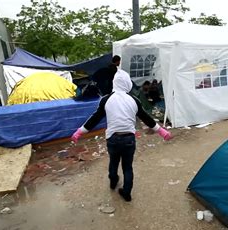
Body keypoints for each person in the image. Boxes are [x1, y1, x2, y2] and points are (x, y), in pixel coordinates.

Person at [71, 69, 173, 202]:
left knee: (113, 162)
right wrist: (162, 131)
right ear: (127, 83)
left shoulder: (106, 99)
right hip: (129, 139)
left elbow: (94, 119)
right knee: (127, 167)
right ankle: (126, 193)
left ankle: (113, 181)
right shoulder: (134, 100)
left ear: (115, 83)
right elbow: (147, 119)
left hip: (112, 139)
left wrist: (79, 132)